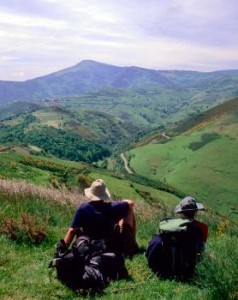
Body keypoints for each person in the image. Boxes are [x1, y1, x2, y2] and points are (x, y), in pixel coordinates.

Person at [60, 178, 138, 257]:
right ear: (104, 195)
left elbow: (72, 231)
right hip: (108, 246)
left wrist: (63, 249)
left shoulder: (82, 208)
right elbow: (131, 203)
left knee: (76, 227)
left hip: (88, 245)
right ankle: (132, 243)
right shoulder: (113, 207)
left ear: (90, 193)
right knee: (128, 210)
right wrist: (121, 202)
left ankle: (130, 243)